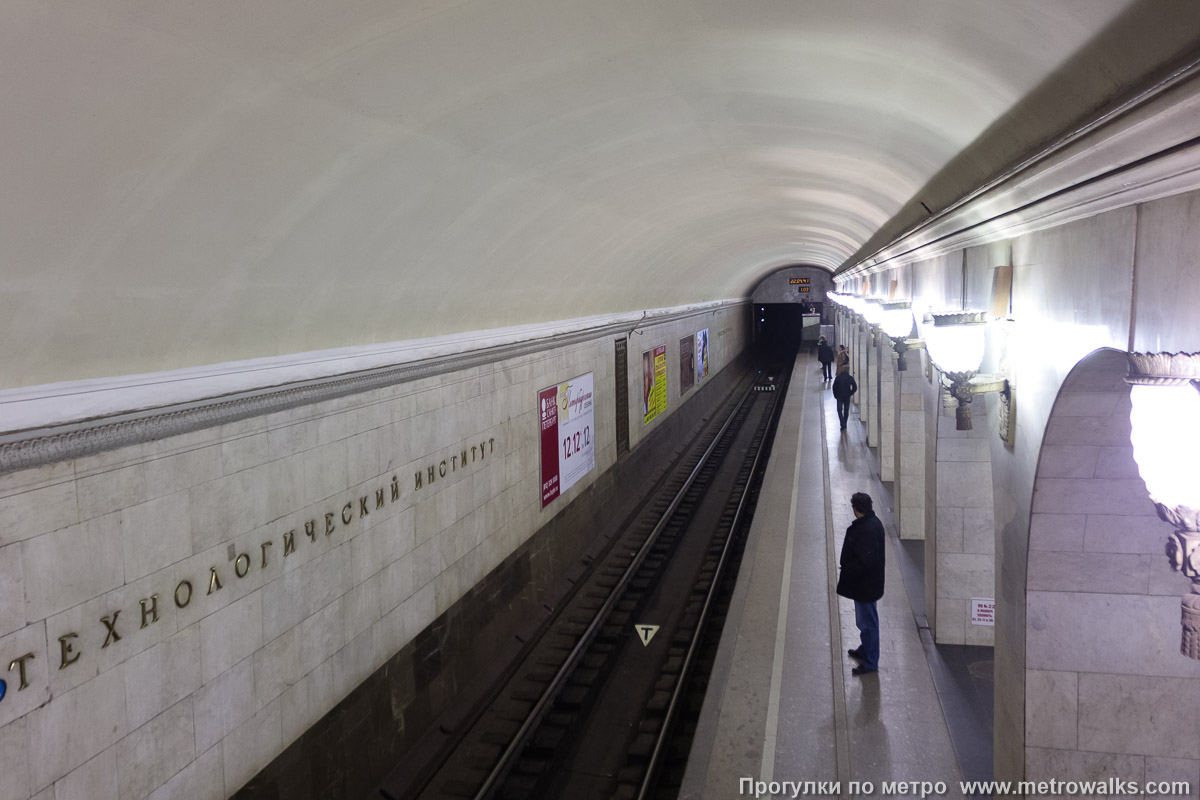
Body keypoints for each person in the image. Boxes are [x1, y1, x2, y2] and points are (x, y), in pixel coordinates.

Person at [836, 492, 886, 676]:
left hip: (866, 585)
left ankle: (871, 662)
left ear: (856, 509)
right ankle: (865, 650)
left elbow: (866, 561)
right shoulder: (872, 523)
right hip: (866, 585)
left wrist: (849, 570)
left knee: (868, 623)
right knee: (864, 621)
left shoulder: (868, 529)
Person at [831, 364, 857, 430]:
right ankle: (844, 423)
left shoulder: (838, 377)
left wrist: (835, 395)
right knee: (846, 411)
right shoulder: (850, 378)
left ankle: (842, 423)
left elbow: (834, 387)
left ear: (842, 369)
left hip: (839, 396)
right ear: (848, 371)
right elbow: (855, 387)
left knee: (839, 410)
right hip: (847, 396)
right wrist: (850, 393)